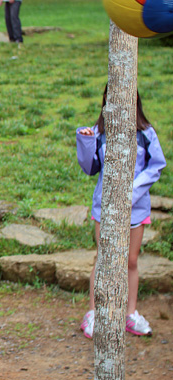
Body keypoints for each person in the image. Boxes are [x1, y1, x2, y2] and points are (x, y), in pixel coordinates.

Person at [76, 84, 166, 340]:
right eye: (109, 99)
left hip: (136, 210)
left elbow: (156, 166)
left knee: (131, 261)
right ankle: (93, 314)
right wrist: (85, 141)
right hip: (104, 208)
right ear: (104, 102)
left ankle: (130, 314)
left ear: (134, 101)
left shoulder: (146, 133)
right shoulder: (99, 133)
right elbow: (90, 167)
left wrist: (131, 192)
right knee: (103, 259)